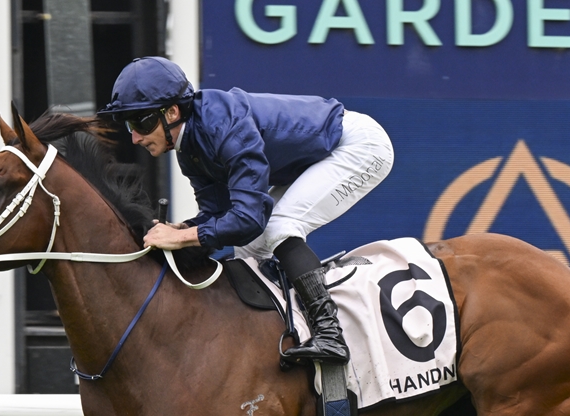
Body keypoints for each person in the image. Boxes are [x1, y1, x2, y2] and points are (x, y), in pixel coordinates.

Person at [98, 56, 394, 365]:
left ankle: (329, 334)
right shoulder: (189, 146)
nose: (135, 137)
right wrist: (182, 229)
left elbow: (249, 219)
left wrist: (183, 237)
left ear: (172, 112)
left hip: (359, 145)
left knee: (279, 226)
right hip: (316, 155)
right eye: (129, 125)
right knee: (249, 250)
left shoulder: (223, 126)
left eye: (141, 123)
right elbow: (220, 215)